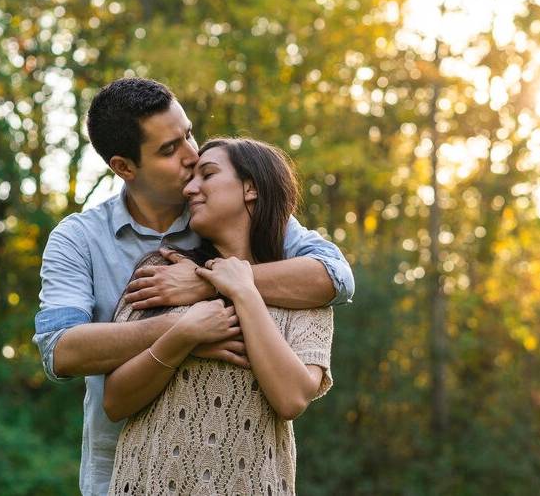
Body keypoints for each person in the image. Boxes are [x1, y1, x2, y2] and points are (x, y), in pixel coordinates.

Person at [32, 78, 354, 496]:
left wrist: (210, 283)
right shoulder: (78, 239)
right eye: (169, 150)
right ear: (124, 167)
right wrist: (184, 332)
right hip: (124, 475)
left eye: (188, 134)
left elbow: (334, 276)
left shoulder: (230, 206)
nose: (191, 154)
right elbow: (59, 350)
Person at [104, 138, 331, 495]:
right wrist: (183, 336)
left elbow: (291, 399)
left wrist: (243, 289)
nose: (190, 188)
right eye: (190, 178)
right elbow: (115, 401)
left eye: (207, 174)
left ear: (251, 187)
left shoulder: (304, 293)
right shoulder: (162, 271)